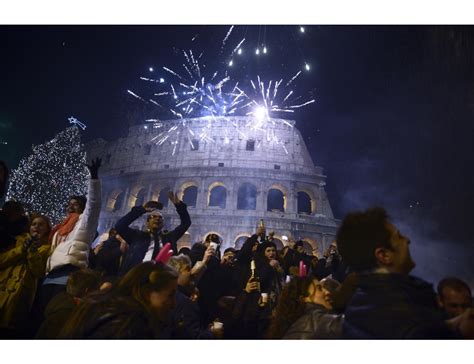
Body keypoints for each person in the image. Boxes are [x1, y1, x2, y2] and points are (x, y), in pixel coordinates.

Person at [337, 207, 473, 339]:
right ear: (384, 255)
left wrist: (450, 326)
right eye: (399, 237)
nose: (407, 240)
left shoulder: (362, 300)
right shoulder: (406, 309)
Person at [34, 158, 102, 324]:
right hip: (49, 277)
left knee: (57, 320)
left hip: (68, 278)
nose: (70, 207)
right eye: (69, 204)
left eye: (75, 204)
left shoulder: (84, 224)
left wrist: (93, 179)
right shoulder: (58, 230)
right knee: (40, 320)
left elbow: (94, 204)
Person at [60, 261, 179, 339]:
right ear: (147, 292)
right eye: (170, 295)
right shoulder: (128, 325)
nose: (174, 304)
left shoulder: (105, 304)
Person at [0, 214, 52, 338]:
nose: (36, 227)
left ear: (47, 229)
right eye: (34, 224)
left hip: (19, 295)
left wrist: (33, 252)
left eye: (41, 224)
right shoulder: (17, 240)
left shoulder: (47, 249)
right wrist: (21, 249)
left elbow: (38, 272)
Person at [115, 191, 191, 275]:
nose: (157, 219)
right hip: (138, 274)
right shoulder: (137, 236)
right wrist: (141, 209)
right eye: (153, 217)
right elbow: (120, 226)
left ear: (163, 223)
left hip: (161, 276)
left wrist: (179, 206)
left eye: (160, 217)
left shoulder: (169, 237)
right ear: (147, 223)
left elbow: (186, 223)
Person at [267, 276, 344, 339]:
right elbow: (351, 324)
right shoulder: (314, 321)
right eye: (319, 289)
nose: (327, 292)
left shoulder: (296, 322)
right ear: (303, 298)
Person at [36, 268, 102, 338]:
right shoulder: (68, 315)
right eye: (98, 289)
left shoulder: (60, 300)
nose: (99, 293)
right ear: (87, 291)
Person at [168, 254, 222, 339]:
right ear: (175, 273)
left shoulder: (173, 294)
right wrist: (211, 332)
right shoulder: (183, 302)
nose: (191, 272)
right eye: (187, 269)